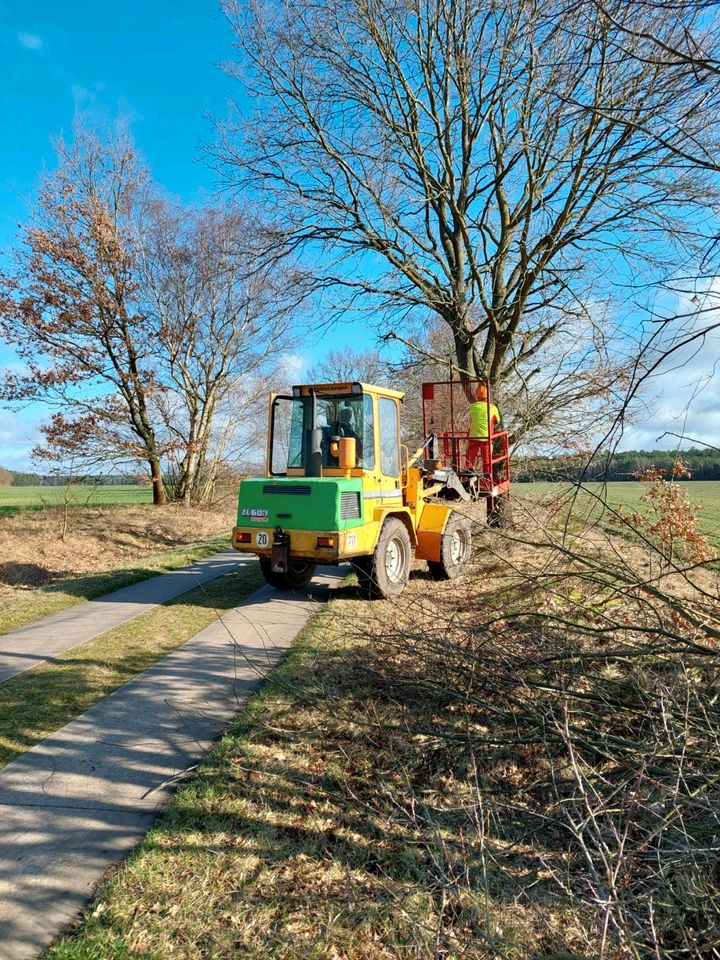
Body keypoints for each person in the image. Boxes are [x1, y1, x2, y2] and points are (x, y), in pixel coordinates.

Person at [466, 382, 500, 470]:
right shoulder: (492, 408)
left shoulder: (472, 407)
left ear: (477, 395)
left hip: (473, 436)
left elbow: (471, 418)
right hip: (486, 437)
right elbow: (497, 421)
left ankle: (467, 475)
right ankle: (487, 477)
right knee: (486, 461)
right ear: (487, 396)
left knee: (470, 459)